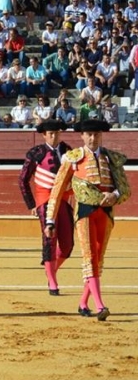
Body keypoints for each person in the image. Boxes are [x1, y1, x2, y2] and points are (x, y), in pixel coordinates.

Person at [44, 119, 131, 321]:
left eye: (96, 134)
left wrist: (114, 195)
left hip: (106, 213)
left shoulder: (111, 158)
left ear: (101, 135)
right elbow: (57, 191)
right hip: (84, 212)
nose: (93, 138)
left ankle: (83, 302)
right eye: (89, 134)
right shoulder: (73, 158)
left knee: (98, 258)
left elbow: (125, 189)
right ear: (82, 136)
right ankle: (100, 306)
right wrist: (50, 220)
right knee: (89, 256)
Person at [18, 120, 75, 296]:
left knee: (67, 245)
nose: (54, 136)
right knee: (49, 239)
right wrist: (32, 204)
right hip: (45, 200)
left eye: (57, 133)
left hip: (64, 200)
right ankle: (52, 281)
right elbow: (23, 180)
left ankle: (51, 270)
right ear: (44, 135)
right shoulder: (36, 153)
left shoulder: (68, 151)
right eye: (50, 133)